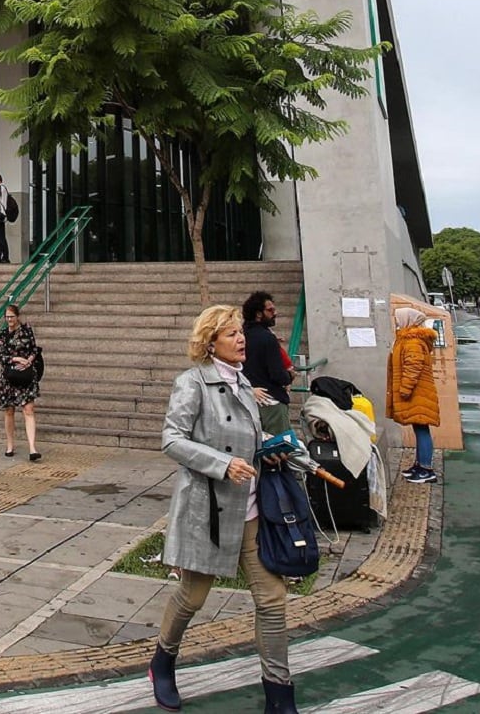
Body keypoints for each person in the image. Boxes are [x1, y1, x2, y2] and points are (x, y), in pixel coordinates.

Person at [148, 304, 295, 714]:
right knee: (192, 597)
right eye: (231, 334)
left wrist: (270, 450)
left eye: (240, 332)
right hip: (208, 512)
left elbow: (246, 434)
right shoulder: (192, 382)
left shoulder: (245, 383)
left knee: (271, 599)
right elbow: (171, 439)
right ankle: (163, 659)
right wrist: (223, 462)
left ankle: (280, 694)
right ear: (211, 342)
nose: (241, 338)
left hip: (250, 512)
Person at [388, 306, 441, 484]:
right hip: (418, 393)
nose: (396, 322)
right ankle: (420, 466)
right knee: (420, 429)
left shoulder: (412, 341)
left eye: (398, 318)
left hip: (417, 393)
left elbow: (413, 366)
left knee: (422, 429)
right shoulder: (410, 339)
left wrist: (405, 388)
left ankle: (426, 469)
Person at [240, 292, 294, 436]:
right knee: (278, 449)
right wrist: (289, 375)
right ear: (258, 314)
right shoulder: (267, 339)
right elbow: (278, 375)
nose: (275, 313)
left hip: (245, 402)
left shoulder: (241, 336)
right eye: (270, 310)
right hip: (270, 403)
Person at [0, 303, 43, 459]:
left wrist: (28, 360)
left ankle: (32, 448)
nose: (9, 320)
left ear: (17, 316)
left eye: (12, 317)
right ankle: (10, 445)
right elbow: (0, 356)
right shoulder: (1, 334)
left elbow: (35, 349)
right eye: (7, 317)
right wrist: (16, 358)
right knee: (9, 411)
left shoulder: (26, 330)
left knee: (28, 410)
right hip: (9, 376)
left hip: (26, 375)